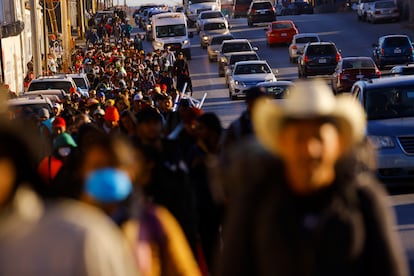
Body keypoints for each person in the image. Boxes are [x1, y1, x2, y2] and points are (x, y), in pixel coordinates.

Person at [215, 79, 409, 276]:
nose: (309, 149)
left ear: (339, 143)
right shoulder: (255, 204)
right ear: (282, 144)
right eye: (299, 138)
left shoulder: (363, 201)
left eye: (319, 137)